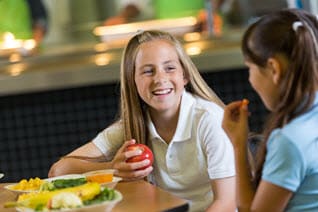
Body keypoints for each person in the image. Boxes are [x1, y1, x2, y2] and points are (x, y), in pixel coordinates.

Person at [49, 30, 236, 211]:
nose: (160, 79)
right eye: (148, 71)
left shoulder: (209, 120)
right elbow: (58, 171)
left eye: (169, 68)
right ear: (133, 82)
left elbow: (226, 204)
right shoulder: (133, 126)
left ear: (184, 75)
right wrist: (111, 169)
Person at [222, 9, 318, 211]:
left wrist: (239, 146)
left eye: (250, 68)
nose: (250, 78)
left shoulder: (290, 141)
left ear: (274, 69)